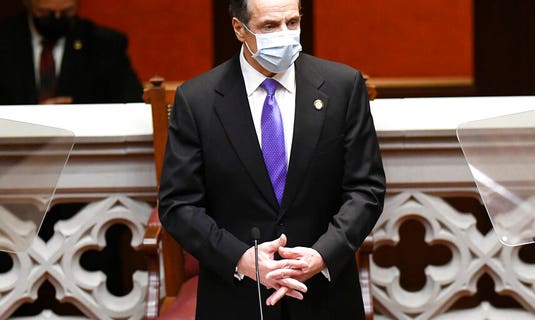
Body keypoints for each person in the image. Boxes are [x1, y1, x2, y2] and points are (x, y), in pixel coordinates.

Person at [158, 0, 386, 318]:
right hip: (236, 297)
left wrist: (322, 254)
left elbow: (367, 189)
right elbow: (178, 205)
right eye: (269, 26)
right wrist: (240, 258)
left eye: (292, 22)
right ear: (239, 28)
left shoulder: (342, 88)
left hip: (324, 295)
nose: (285, 34)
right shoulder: (197, 100)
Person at [0, 0, 143, 105]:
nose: (57, 17)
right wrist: (35, 117)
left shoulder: (105, 44)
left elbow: (132, 103)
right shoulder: (5, 40)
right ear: (27, 3)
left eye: (67, 12)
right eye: (45, 13)